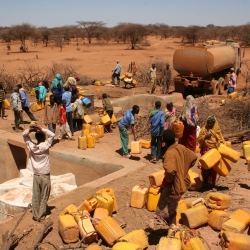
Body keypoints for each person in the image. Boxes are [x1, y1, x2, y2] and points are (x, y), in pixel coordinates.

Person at [155, 130, 197, 225]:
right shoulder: (181, 147)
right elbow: (193, 157)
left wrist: (169, 180)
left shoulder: (169, 153)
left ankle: (172, 230)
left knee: (171, 211)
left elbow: (170, 171)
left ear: (164, 142)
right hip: (184, 182)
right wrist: (183, 170)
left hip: (174, 187)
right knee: (172, 207)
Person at [22, 125, 54, 222]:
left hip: (36, 174)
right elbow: (52, 135)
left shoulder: (32, 146)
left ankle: (36, 214)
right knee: (44, 195)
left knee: (36, 194)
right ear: (44, 137)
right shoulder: (45, 146)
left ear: (36, 138)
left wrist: (31, 130)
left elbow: (24, 135)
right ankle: (41, 215)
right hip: (45, 174)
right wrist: (41, 128)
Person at [198, 116, 225, 186]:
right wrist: (205, 137)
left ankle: (211, 182)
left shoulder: (217, 131)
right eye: (208, 123)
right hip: (205, 150)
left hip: (214, 151)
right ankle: (205, 180)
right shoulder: (204, 129)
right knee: (205, 166)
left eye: (211, 123)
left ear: (214, 123)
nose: (209, 125)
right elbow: (199, 139)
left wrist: (218, 145)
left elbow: (221, 141)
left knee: (213, 167)